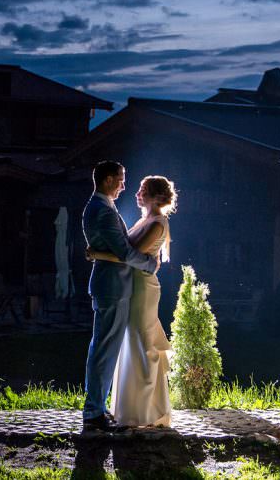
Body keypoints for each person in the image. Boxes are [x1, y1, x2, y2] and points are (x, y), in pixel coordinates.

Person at [88, 175, 177, 427]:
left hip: (143, 289)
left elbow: (128, 253)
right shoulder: (145, 220)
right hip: (133, 285)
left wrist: (97, 253)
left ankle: (146, 410)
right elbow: (126, 250)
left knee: (143, 343)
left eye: (143, 190)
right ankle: (130, 408)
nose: (137, 193)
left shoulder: (157, 224)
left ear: (157, 196)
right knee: (133, 342)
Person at [80, 160, 159, 431]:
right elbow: (124, 252)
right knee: (104, 349)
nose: (124, 185)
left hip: (110, 285)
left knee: (102, 346)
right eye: (121, 179)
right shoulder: (103, 210)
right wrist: (150, 264)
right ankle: (93, 412)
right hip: (113, 287)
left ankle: (96, 407)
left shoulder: (100, 207)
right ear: (107, 180)